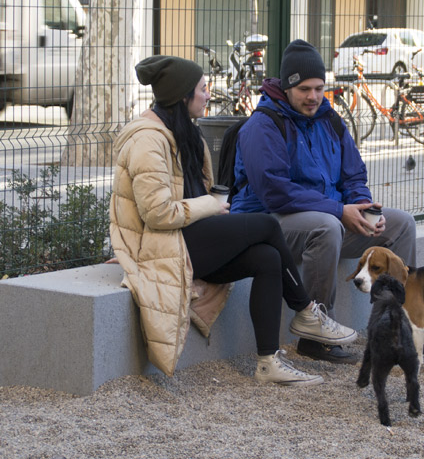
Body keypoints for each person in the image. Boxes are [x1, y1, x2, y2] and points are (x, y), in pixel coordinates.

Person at [108, 55, 358, 386]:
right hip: (166, 244)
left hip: (188, 239)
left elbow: (197, 196)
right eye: (202, 88)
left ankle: (268, 362)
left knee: (267, 258)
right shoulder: (147, 140)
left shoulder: (186, 134)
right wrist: (209, 206)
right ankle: (306, 312)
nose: (209, 94)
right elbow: (157, 213)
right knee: (266, 225)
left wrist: (211, 205)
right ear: (182, 96)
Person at [230, 39, 419, 364]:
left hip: (326, 218)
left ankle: (394, 325)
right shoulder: (262, 126)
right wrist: (339, 210)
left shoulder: (330, 120)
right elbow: (276, 193)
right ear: (287, 87)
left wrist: (362, 206)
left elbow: (353, 174)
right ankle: (315, 333)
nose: (314, 96)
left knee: (402, 224)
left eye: (319, 88)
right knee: (327, 226)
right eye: (304, 89)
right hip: (266, 225)